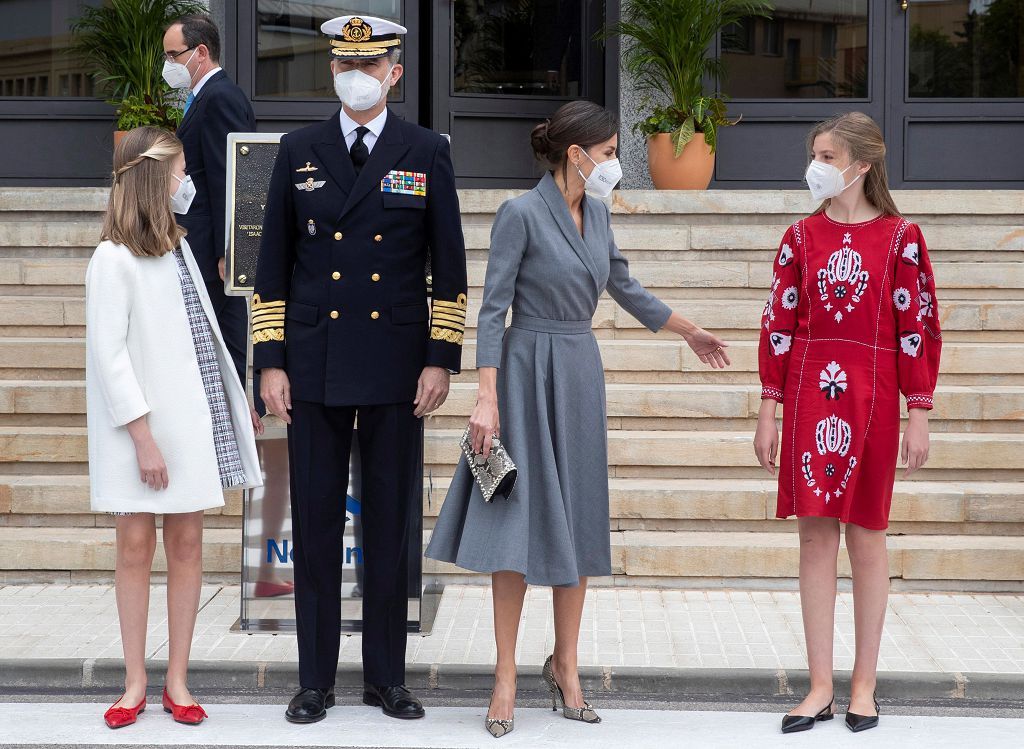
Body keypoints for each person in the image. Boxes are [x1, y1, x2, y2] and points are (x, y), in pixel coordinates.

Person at [424, 100, 731, 739]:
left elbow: (626, 286)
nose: (617, 162)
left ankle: (566, 666)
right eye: (612, 151)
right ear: (577, 155)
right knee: (515, 528)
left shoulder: (597, 212)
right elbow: (491, 310)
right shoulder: (520, 213)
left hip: (578, 373)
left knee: (580, 522)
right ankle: (505, 675)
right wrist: (486, 398)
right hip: (525, 370)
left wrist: (690, 330)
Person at [251, 15, 467, 724]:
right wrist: (269, 361)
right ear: (332, 70)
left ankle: (386, 678)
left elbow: (451, 268)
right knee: (315, 526)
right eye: (346, 62)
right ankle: (315, 679)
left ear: (394, 74)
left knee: (388, 527)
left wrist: (441, 358)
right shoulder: (299, 149)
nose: (357, 74)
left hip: (397, 368)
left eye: (370, 64)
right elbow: (272, 266)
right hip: (313, 365)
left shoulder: (426, 150)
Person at [753, 112, 941, 734]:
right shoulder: (800, 237)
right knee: (813, 541)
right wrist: (767, 409)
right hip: (810, 397)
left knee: (866, 539)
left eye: (827, 155)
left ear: (861, 165)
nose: (817, 165)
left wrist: (919, 412)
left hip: (875, 400)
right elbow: (778, 324)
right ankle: (818, 687)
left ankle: (864, 685)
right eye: (814, 154)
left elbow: (918, 327)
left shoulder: (901, 238)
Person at [85, 127, 263, 729]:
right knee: (135, 547)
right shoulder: (111, 259)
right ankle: (134, 679)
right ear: (153, 177)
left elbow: (201, 342)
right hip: (137, 433)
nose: (189, 181)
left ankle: (177, 679)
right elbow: (109, 357)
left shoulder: (180, 248)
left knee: (187, 545)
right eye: (181, 169)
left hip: (187, 428)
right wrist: (142, 438)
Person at [163, 13, 256, 390]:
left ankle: (235, 416)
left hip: (212, 250)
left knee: (224, 336)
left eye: (174, 55)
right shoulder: (204, 97)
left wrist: (227, 251)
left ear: (201, 52)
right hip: (197, 240)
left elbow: (229, 178)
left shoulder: (220, 98)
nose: (168, 65)